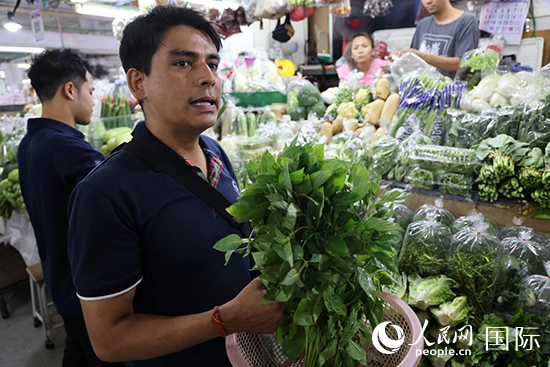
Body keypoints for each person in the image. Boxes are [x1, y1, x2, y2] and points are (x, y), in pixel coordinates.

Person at [67, 6, 284, 367]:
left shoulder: (214, 153)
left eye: (212, 64)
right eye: (183, 63)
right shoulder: (105, 193)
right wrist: (226, 320)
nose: (207, 78)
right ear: (139, 83)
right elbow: (109, 340)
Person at [17, 49, 121, 367]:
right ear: (70, 90)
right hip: (85, 289)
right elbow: (120, 192)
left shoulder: (31, 142)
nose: (94, 101)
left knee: (77, 351)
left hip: (61, 279)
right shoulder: (66, 148)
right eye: (90, 92)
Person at [405, 0, 480, 78]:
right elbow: (414, 61)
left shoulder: (466, 21)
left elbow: (463, 64)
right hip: (422, 88)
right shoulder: (422, 24)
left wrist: (425, 57)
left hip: (451, 88)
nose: (428, 1)